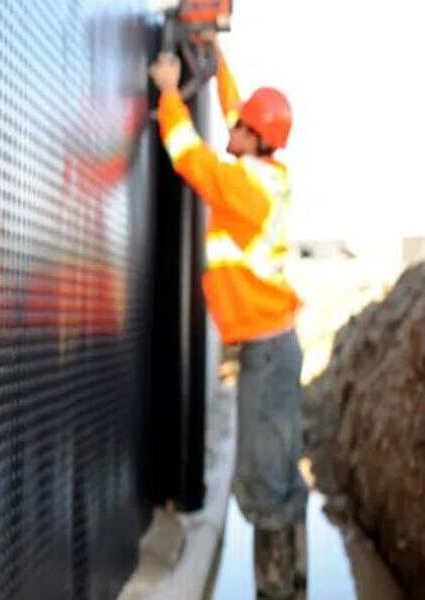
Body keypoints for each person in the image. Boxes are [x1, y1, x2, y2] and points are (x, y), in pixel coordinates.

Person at [149, 35, 308, 599]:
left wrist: (170, 92)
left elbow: (189, 156)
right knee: (281, 475)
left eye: (240, 127)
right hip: (275, 347)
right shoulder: (268, 172)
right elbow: (240, 109)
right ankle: (296, 585)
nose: (231, 127)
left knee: (262, 484)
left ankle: (276, 592)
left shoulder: (244, 186)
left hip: (267, 355)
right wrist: (218, 64)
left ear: (255, 139)